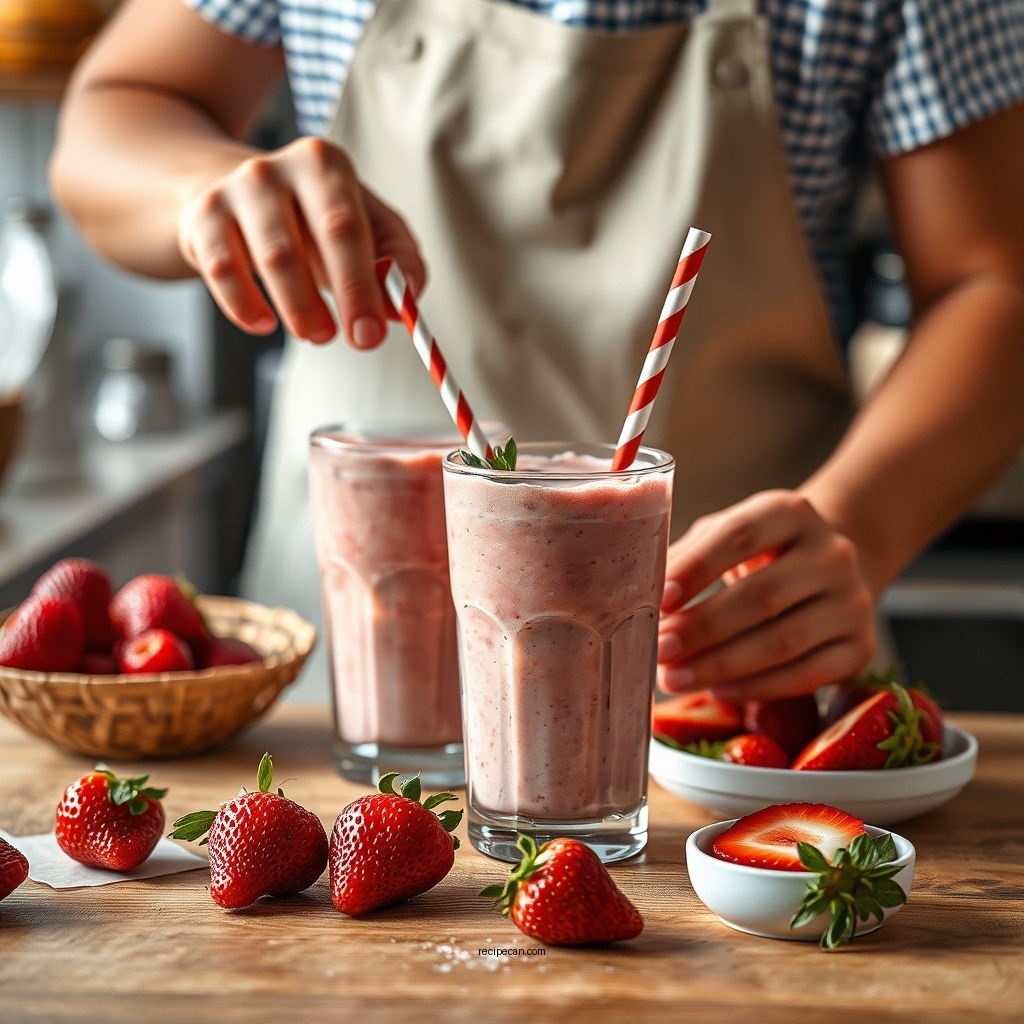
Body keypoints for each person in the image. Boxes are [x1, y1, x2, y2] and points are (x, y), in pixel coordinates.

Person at [50, 0, 1024, 702]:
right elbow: (115, 113)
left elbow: (993, 285)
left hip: (725, 668)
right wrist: (200, 187)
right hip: (349, 682)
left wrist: (860, 522)